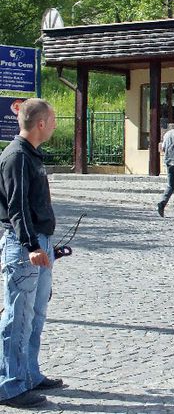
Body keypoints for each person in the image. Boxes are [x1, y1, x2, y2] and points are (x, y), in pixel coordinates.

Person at [0, 99, 61, 409]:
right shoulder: (17, 157)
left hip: (40, 242)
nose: (54, 125)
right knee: (18, 317)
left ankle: (29, 374)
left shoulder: (31, 155)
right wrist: (32, 246)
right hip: (26, 246)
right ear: (40, 124)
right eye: (52, 120)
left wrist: (47, 246)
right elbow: (17, 208)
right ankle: (9, 385)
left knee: (35, 314)